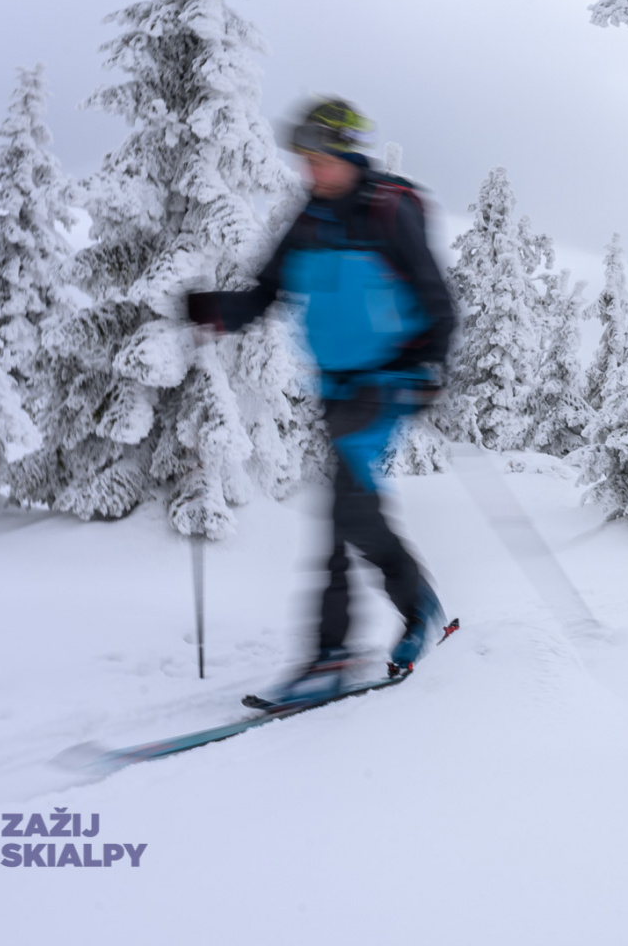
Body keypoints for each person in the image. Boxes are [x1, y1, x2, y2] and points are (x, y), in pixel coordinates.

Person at [187, 98, 457, 706]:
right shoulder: (308, 219)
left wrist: (427, 366)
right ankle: (419, 608)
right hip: (336, 386)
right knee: (353, 511)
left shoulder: (389, 212)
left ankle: (331, 651)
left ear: (347, 153)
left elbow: (438, 300)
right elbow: (267, 292)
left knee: (343, 512)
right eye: (304, 159)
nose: (311, 170)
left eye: (320, 159)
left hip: (388, 381)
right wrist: (217, 311)